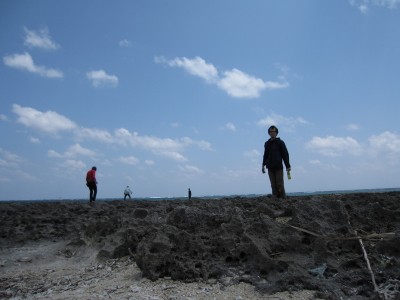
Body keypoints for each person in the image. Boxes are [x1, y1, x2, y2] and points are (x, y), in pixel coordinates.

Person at [262, 125, 291, 199]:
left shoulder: (280, 142)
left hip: (278, 166)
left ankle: (282, 197)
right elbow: (265, 155)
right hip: (270, 167)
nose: (272, 133)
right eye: (271, 132)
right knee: (273, 184)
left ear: (276, 133)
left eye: (274, 132)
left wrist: (287, 166)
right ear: (269, 133)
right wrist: (263, 165)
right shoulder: (267, 143)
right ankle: (275, 197)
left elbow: (285, 154)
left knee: (279, 183)